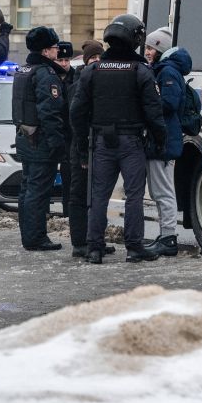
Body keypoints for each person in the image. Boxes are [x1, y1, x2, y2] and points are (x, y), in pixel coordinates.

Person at [70, 14, 166, 264]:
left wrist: (82, 143)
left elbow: (77, 111)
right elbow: (154, 111)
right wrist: (160, 139)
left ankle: (94, 248)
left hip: (101, 141)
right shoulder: (141, 71)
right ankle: (134, 247)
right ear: (136, 38)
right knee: (134, 196)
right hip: (132, 141)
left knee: (99, 195)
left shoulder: (92, 70)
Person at [12, 26, 67, 251]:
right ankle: (35, 237)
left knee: (27, 188)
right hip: (41, 141)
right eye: (55, 47)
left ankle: (29, 235)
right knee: (38, 190)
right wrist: (56, 142)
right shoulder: (45, 74)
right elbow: (50, 111)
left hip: (26, 137)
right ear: (45, 51)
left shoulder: (24, 69)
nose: (58, 51)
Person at [68, 41, 118, 258]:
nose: (96, 61)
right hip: (81, 146)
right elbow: (75, 118)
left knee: (98, 195)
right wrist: (80, 153)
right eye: (92, 58)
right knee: (80, 195)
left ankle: (96, 238)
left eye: (99, 57)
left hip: (98, 145)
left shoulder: (101, 81)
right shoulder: (77, 82)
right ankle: (80, 241)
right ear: (85, 61)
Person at [144, 44, 193, 257]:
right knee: (159, 190)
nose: (147, 51)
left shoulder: (167, 72)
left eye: (150, 48)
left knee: (163, 191)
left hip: (163, 141)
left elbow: (168, 103)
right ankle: (165, 235)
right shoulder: (166, 71)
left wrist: (145, 104)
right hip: (163, 140)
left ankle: (168, 237)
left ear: (161, 51)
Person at [55, 41, 75, 218]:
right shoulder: (49, 76)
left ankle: (68, 214)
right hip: (54, 133)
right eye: (60, 60)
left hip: (70, 136)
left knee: (69, 178)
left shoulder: (75, 78)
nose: (63, 64)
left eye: (66, 60)